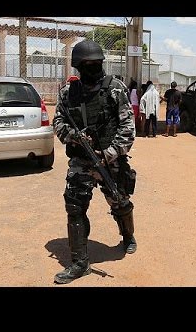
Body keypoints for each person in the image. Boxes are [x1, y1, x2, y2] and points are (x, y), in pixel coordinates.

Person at [53, 39, 137, 284]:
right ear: (79, 66)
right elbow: (59, 122)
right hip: (81, 160)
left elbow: (128, 128)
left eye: (97, 63)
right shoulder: (69, 92)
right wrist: (74, 137)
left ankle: (128, 236)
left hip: (110, 160)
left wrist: (108, 153)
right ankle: (80, 263)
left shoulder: (115, 88)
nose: (94, 68)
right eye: (89, 64)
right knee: (74, 207)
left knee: (120, 202)